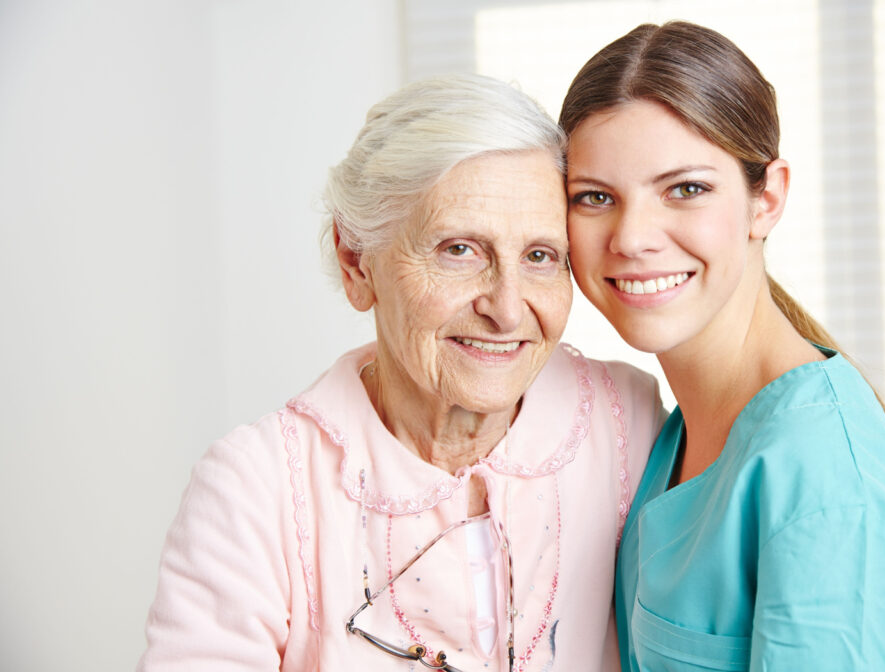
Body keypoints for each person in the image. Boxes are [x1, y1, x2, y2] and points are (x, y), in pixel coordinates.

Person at [137, 74, 664, 671]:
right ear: (356, 262)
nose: (508, 308)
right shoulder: (256, 488)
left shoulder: (630, 424)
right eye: (459, 250)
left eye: (540, 256)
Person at [559, 21, 885, 671]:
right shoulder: (666, 435)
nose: (632, 237)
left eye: (685, 189)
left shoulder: (829, 485)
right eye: (595, 197)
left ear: (766, 199)